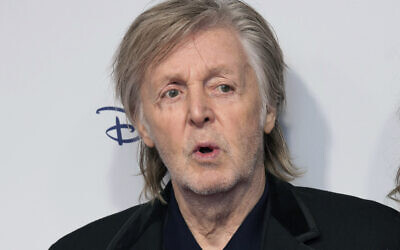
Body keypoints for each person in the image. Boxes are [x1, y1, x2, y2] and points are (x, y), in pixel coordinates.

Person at [50, 0, 400, 249]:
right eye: (172, 93)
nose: (198, 111)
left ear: (268, 109)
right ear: (142, 123)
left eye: (222, 87)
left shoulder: (377, 237)